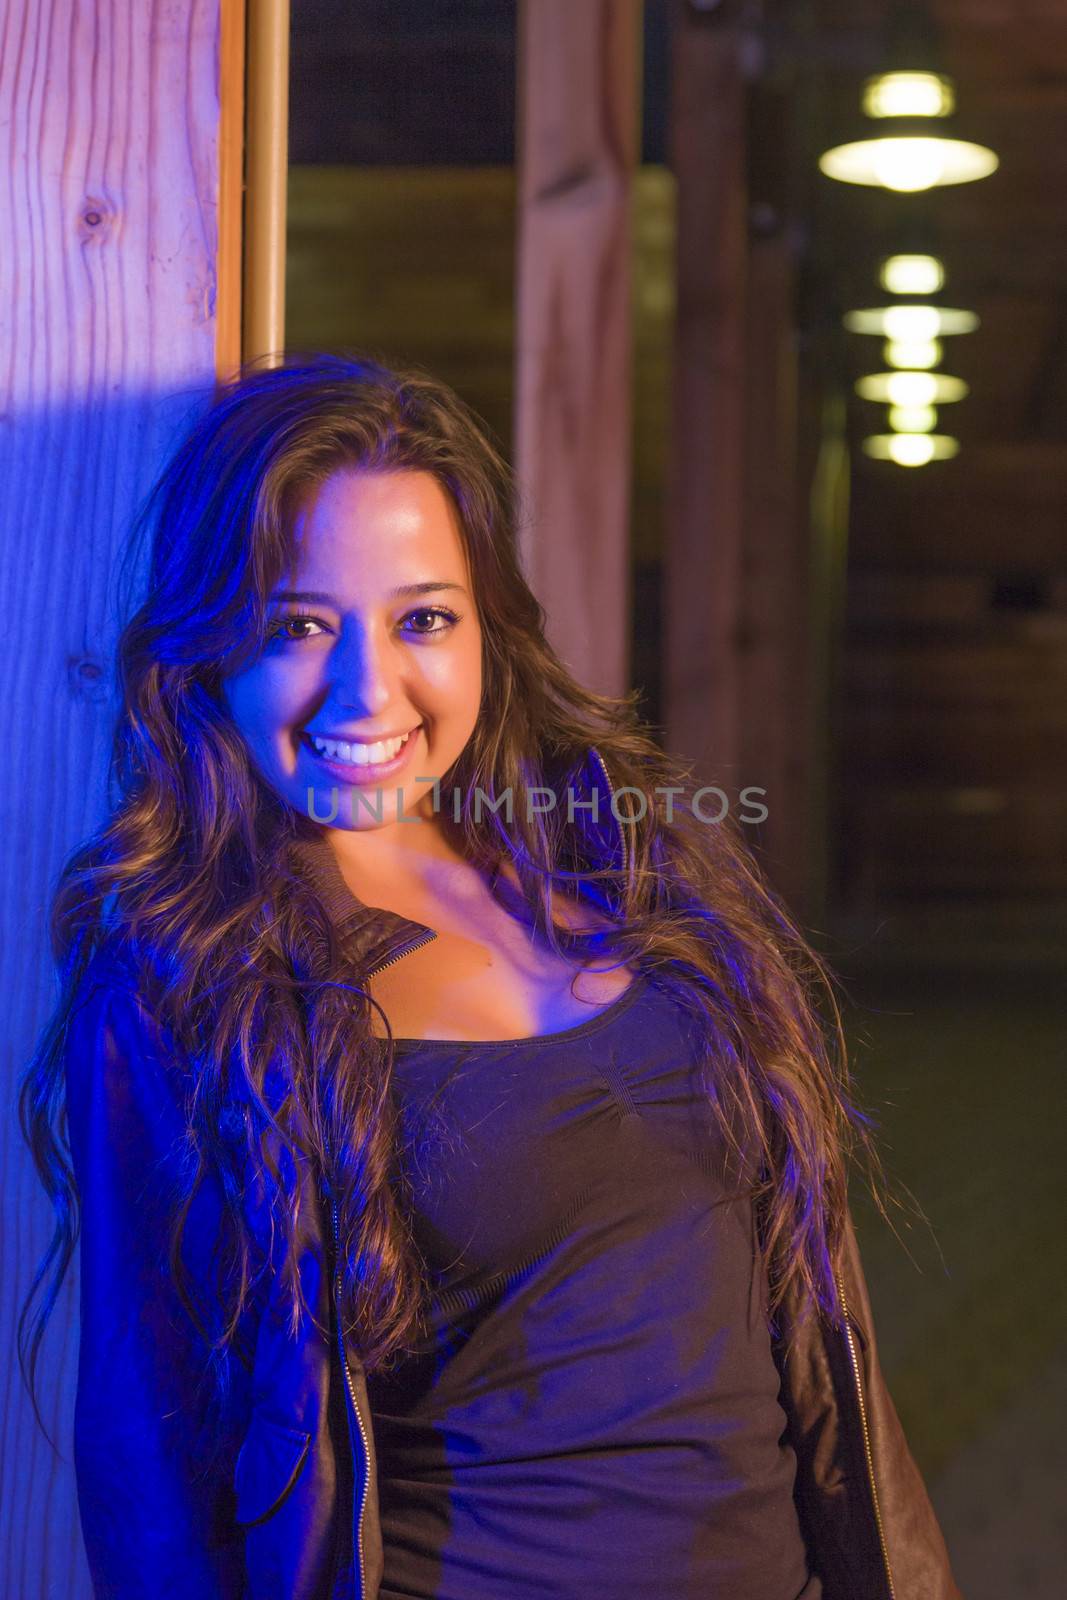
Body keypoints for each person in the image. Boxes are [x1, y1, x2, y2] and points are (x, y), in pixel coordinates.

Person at [19, 352, 960, 1599]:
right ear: (209, 649)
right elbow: (149, 1460)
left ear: (488, 631)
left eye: (423, 618)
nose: (369, 688)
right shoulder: (185, 971)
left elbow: (815, 1346)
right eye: (298, 623)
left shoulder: (635, 869)